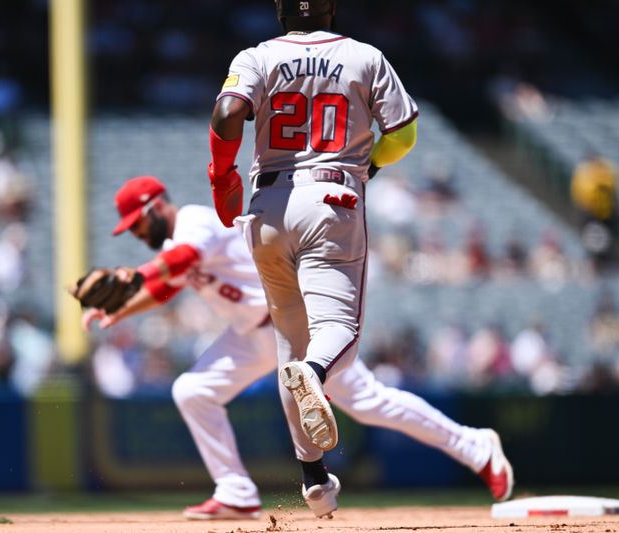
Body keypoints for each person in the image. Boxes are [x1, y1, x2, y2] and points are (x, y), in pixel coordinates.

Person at [206, 0, 510, 518]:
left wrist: (222, 174)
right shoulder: (364, 57)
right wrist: (365, 164)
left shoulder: (255, 56)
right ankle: (315, 373)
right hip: (331, 198)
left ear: (279, 10)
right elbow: (404, 135)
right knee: (336, 334)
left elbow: (227, 113)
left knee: (289, 344)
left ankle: (314, 478)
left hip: (266, 208)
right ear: (331, 8)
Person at [84, 175, 514, 520]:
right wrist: (118, 312)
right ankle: (235, 492)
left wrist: (135, 277)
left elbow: (174, 267)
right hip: (249, 335)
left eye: (137, 224)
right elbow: (166, 287)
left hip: (292, 322)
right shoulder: (169, 244)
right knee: (193, 391)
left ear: (156, 206)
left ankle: (475, 446)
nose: (137, 234)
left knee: (367, 402)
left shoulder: (194, 222)